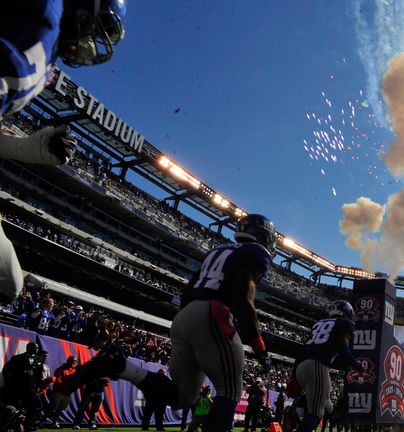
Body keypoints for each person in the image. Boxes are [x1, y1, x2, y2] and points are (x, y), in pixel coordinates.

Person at [64, 214, 276, 432]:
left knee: (183, 396)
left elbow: (188, 291)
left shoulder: (217, 251)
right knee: (230, 390)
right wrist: (260, 349)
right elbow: (244, 301)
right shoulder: (255, 253)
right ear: (262, 236)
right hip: (213, 313)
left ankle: (120, 366)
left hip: (185, 316)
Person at [0, 0, 126, 302]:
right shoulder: (43, 10)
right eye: (100, 26)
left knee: (7, 282)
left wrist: (21, 147)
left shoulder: (49, 54)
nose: (94, 39)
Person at [294, 300, 361, 432]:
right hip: (317, 365)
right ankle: (296, 416)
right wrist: (355, 363)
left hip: (301, 365)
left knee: (326, 405)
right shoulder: (345, 323)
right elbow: (343, 346)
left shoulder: (318, 323)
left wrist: (293, 376)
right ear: (347, 312)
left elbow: (303, 349)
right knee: (316, 413)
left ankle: (295, 413)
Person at [2, 342, 43, 430]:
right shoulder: (17, 358)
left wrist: (38, 387)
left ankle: (28, 426)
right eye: (34, 348)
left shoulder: (39, 359)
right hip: (18, 389)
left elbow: (39, 375)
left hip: (31, 390)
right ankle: (11, 426)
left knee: (32, 408)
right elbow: (8, 370)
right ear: (27, 348)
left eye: (37, 348)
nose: (36, 350)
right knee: (15, 409)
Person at [49, 356, 79, 429]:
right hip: (58, 392)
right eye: (72, 360)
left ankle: (54, 423)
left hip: (67, 393)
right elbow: (58, 380)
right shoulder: (61, 369)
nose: (73, 362)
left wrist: (73, 387)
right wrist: (66, 387)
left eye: (75, 361)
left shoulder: (75, 370)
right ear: (68, 361)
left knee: (60, 409)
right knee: (53, 408)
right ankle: (40, 422)